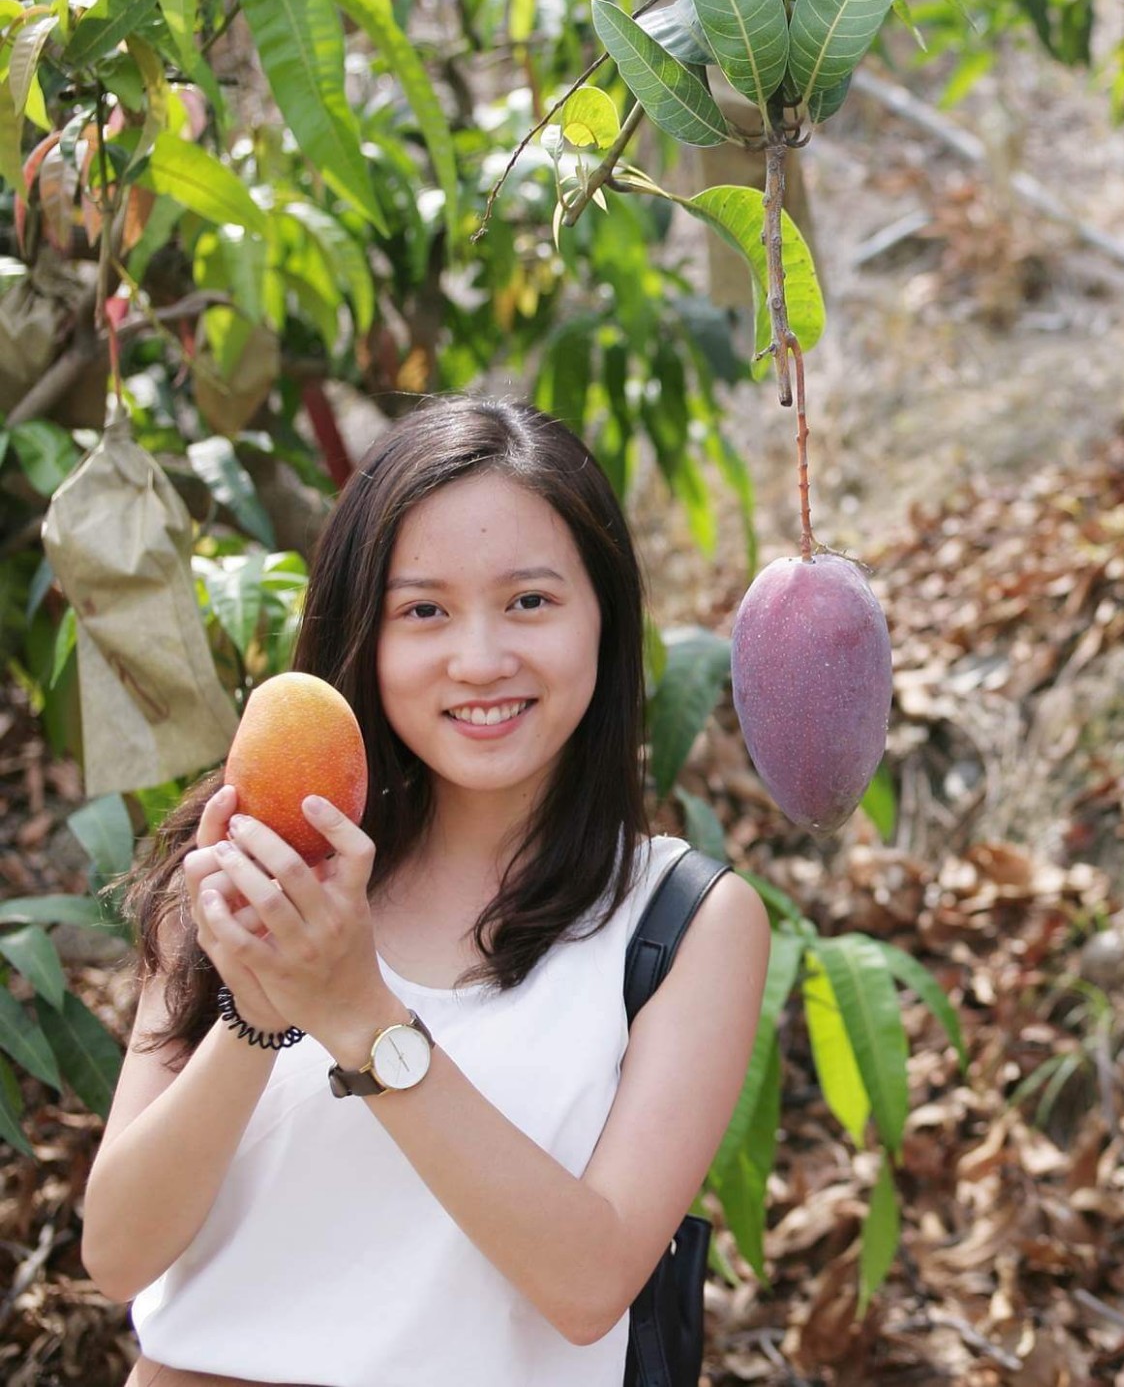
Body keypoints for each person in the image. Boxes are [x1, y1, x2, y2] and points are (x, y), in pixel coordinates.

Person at [81, 396, 772, 1386]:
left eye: (530, 601)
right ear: (363, 630)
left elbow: (587, 1286)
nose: (480, 659)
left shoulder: (680, 920)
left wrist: (363, 1018)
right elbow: (118, 1253)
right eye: (424, 610)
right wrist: (257, 1019)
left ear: (604, 619)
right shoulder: (256, 859)